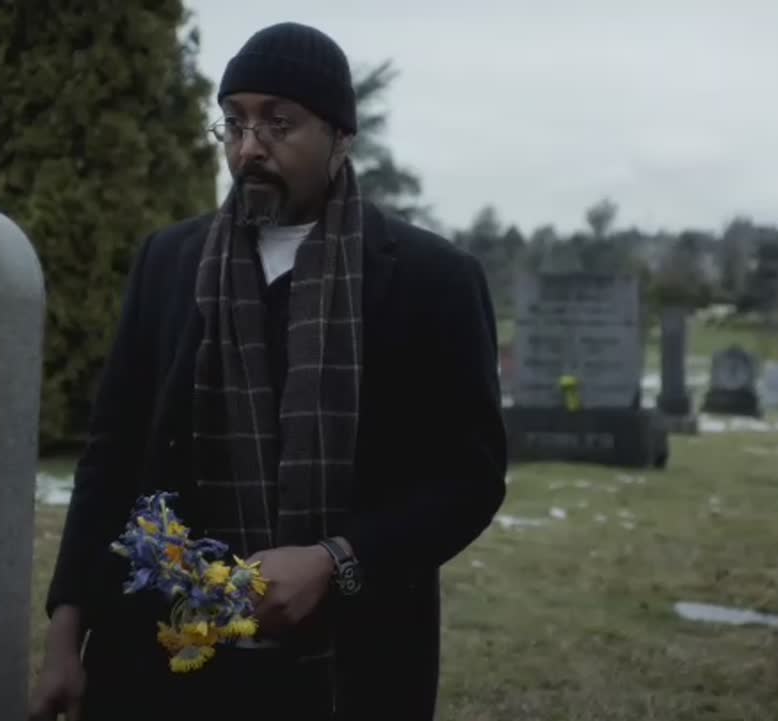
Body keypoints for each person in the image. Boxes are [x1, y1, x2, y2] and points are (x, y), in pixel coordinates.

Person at [28, 22, 507, 721]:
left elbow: (468, 479)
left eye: (279, 124)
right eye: (234, 123)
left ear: (341, 137)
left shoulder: (432, 279)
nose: (249, 147)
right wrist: (66, 633)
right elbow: (112, 458)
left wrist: (335, 561)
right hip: (160, 662)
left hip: (352, 670)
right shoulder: (169, 262)